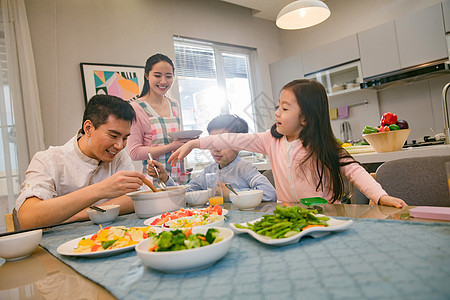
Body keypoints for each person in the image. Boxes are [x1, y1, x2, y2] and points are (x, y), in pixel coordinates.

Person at [168, 79, 407, 208]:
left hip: (327, 214)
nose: (277, 113)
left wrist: (380, 196)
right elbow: (231, 138)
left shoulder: (324, 145)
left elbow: (355, 172)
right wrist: (196, 143)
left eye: (285, 108)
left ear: (305, 117)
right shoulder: (269, 140)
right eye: (277, 107)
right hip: (288, 214)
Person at [16, 95, 146, 229]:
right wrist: (101, 190)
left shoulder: (118, 157)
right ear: (88, 128)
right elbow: (27, 219)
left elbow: (135, 198)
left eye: (125, 138)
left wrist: (79, 215)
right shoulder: (48, 160)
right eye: (113, 136)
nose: (120, 145)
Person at [148, 114, 277, 202]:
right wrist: (165, 178)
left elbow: (269, 194)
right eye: (212, 142)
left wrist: (232, 194)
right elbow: (185, 194)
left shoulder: (244, 168)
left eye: (222, 143)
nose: (216, 148)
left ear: (238, 144)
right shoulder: (209, 171)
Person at [128, 53, 190, 185]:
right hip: (153, 180)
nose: (163, 81)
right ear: (146, 76)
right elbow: (134, 152)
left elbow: (177, 142)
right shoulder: (136, 107)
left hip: (178, 178)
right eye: (157, 75)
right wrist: (171, 146)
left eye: (168, 76)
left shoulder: (174, 105)